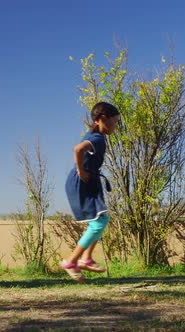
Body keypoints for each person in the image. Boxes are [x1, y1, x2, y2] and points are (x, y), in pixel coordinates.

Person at [62, 101, 120, 282]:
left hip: (89, 181)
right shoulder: (97, 138)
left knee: (101, 219)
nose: (116, 126)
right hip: (83, 182)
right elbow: (78, 149)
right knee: (98, 223)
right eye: (115, 122)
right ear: (102, 119)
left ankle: (85, 259)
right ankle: (72, 262)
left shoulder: (96, 136)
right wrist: (81, 170)